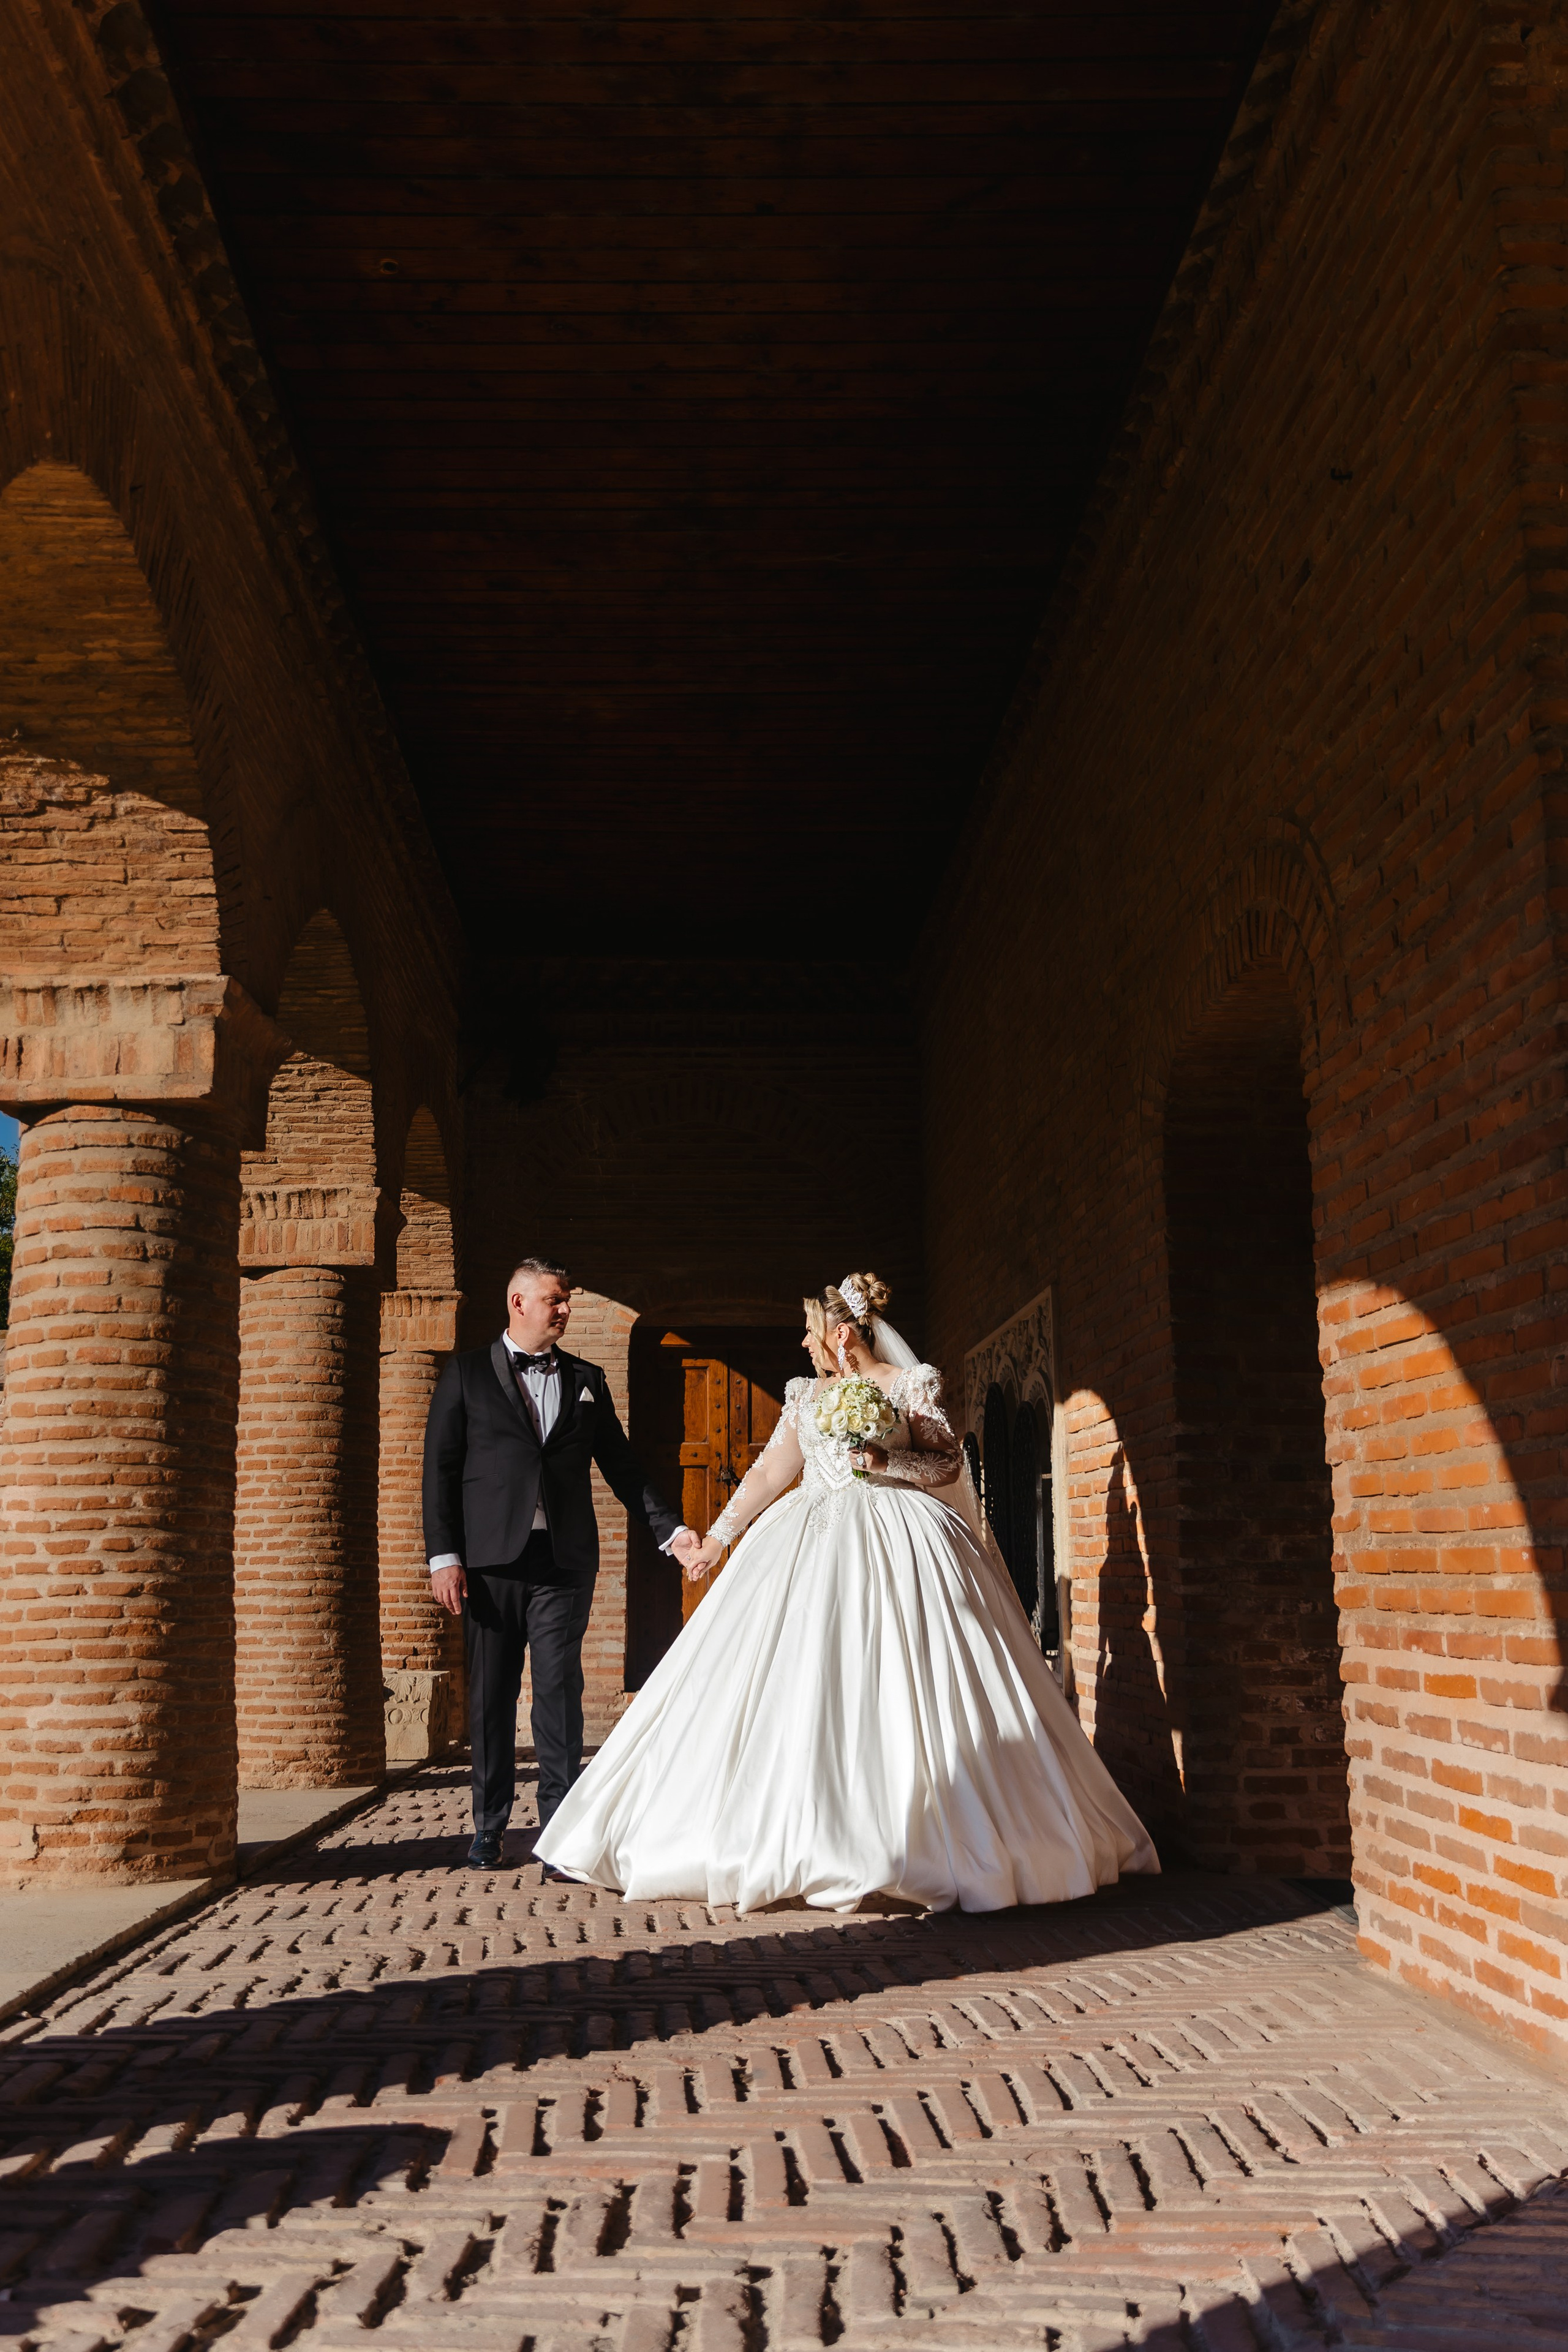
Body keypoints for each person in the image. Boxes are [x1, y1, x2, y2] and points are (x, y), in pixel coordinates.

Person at [535, 1272, 1158, 1912]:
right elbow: (772, 1470)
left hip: (902, 1537)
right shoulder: (807, 1395)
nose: (804, 1347)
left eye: (810, 1334)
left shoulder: (908, 1386)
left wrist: (886, 1463)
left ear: (840, 1333)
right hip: (806, 1537)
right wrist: (718, 1538)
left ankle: (920, 1836)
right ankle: (798, 1836)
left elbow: (947, 1463)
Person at [422, 1256, 701, 1868]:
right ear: (519, 1304)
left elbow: (622, 1466)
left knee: (558, 1689)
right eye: (556, 1300)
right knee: (492, 1696)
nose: (566, 1309)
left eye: (567, 1300)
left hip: (564, 1561)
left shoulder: (587, 1379)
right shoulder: (465, 1374)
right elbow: (438, 1471)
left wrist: (671, 1530)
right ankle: (488, 1827)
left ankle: (558, 1829)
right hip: (489, 1564)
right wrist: (444, 1557)